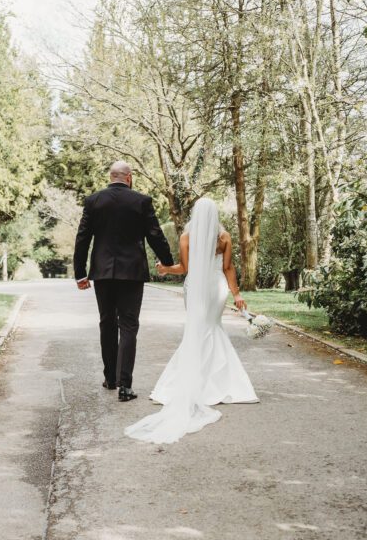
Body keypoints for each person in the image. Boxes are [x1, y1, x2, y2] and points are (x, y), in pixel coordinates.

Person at [125, 198, 258, 444]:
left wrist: (165, 270)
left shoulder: (187, 237)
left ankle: (189, 383)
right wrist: (236, 294)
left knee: (198, 331)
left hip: (196, 289)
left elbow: (184, 269)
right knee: (213, 328)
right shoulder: (224, 237)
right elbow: (228, 268)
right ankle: (222, 383)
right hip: (217, 288)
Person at [73, 161, 175, 402]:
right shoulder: (141, 201)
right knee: (128, 326)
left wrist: (80, 273)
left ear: (112, 177)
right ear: (129, 178)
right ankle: (125, 387)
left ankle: (110, 378)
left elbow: (82, 239)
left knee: (106, 323)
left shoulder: (94, 201)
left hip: (103, 274)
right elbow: (155, 235)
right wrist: (168, 262)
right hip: (132, 273)